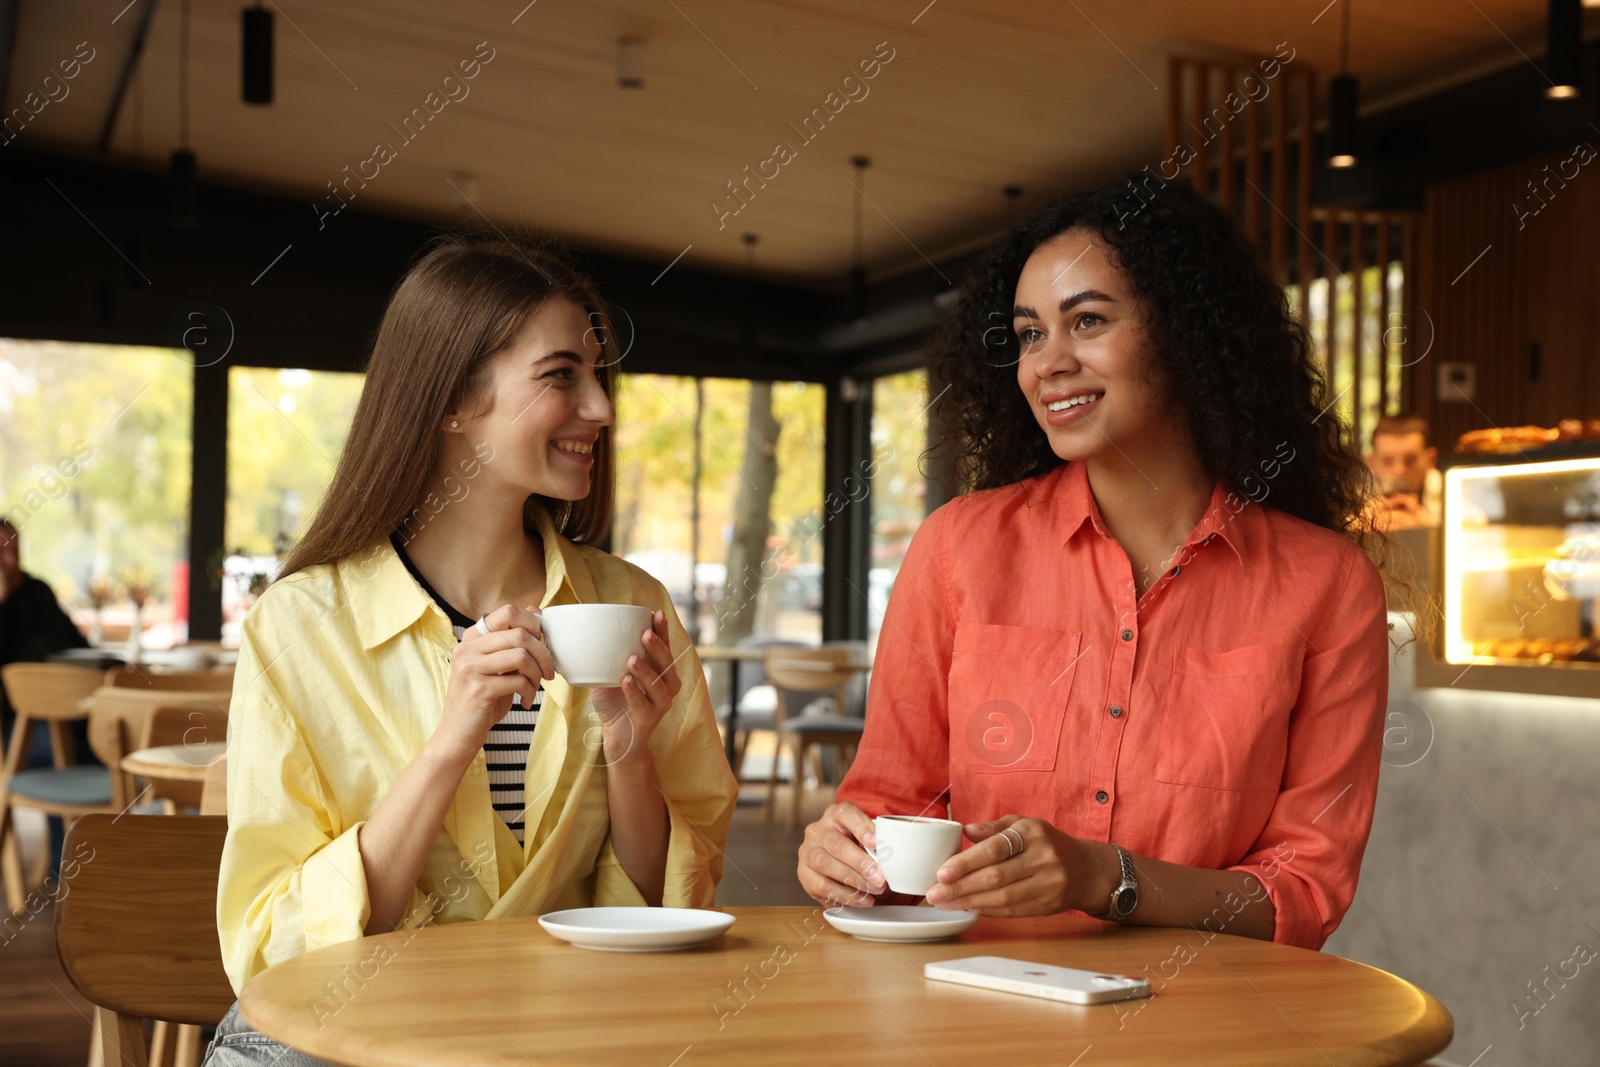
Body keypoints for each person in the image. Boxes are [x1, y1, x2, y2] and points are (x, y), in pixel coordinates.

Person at [797, 174, 1392, 952]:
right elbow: (890, 807)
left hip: (1208, 1022)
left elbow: (1303, 892)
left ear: (1183, 331)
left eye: (1087, 320)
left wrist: (1104, 877)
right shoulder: (957, 548)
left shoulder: (1329, 584)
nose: (1048, 362)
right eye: (1030, 334)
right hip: (970, 1009)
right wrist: (842, 857)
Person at [203, 236, 737, 1066]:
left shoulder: (632, 607)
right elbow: (277, 948)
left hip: (558, 1031)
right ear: (453, 400)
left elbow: (676, 898)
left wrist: (628, 750)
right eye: (562, 375)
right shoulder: (300, 625)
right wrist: (454, 738)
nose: (600, 407)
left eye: (599, 376)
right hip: (341, 1038)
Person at [0, 517, 91, 754]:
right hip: (21, 718)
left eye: (14, 551)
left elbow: (76, 643)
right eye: (1, 553)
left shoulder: (38, 591)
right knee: (62, 748)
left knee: (113, 734)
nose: (10, 560)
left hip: (74, 703)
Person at [1367, 415, 1441, 529]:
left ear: (1430, 460)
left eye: (1410, 460)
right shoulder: (1352, 499)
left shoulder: (1454, 498)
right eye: (1388, 461)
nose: (1399, 470)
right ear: (1371, 463)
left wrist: (1430, 531)